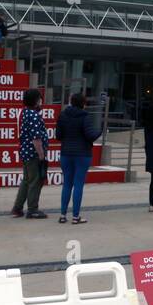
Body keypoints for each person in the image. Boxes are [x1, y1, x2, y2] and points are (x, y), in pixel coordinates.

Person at [57, 92, 102, 224]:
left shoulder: (62, 115)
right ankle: (75, 216)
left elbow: (58, 136)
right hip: (82, 154)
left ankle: (62, 215)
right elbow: (90, 135)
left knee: (67, 184)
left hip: (66, 153)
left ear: (71, 102)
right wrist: (99, 131)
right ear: (83, 103)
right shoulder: (85, 116)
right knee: (78, 184)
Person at [11, 88, 50, 219]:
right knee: (35, 180)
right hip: (33, 153)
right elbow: (36, 138)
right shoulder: (33, 115)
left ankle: (17, 207)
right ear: (35, 100)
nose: (41, 101)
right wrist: (41, 155)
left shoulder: (25, 112)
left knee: (27, 180)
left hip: (25, 151)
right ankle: (33, 209)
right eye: (39, 98)